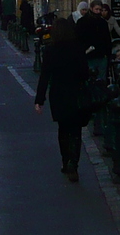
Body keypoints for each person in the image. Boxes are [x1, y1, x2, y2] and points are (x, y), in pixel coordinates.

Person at [34, 17, 92, 181]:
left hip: (58, 94)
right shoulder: (77, 48)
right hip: (76, 93)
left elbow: (45, 76)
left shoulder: (51, 50)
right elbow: (84, 72)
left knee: (63, 129)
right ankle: (74, 162)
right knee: (76, 131)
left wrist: (39, 100)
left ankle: (66, 161)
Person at [75, 0, 111, 78]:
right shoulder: (82, 22)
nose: (98, 12)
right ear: (91, 8)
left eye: (100, 10)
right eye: (96, 9)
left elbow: (107, 39)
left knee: (101, 79)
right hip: (89, 56)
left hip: (101, 56)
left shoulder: (103, 23)